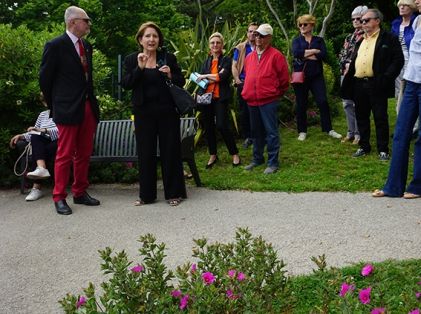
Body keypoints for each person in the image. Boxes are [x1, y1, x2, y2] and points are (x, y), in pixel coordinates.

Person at [39, 5, 100, 215]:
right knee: (64, 154)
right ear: (73, 21)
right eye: (86, 20)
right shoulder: (55, 45)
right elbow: (45, 79)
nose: (89, 24)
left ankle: (80, 192)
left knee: (84, 153)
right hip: (66, 108)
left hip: (87, 106)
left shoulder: (87, 46)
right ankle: (59, 197)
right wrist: (54, 104)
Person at [121, 21, 187, 207]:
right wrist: (139, 68)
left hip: (167, 112)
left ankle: (174, 193)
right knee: (146, 153)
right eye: (148, 36)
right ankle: (147, 196)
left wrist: (170, 76)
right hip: (143, 113)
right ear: (140, 39)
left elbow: (181, 81)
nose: (152, 39)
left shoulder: (168, 57)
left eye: (155, 36)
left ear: (159, 39)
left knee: (170, 152)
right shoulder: (132, 59)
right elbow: (126, 84)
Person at [372, 0, 421, 199]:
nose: (416, 1)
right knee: (401, 133)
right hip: (411, 82)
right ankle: (393, 186)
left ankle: (417, 186)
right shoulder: (417, 22)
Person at [341, 9, 404, 161]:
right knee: (361, 116)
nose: (362, 23)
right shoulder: (361, 39)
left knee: (380, 117)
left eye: (366, 20)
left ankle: (383, 149)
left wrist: (386, 78)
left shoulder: (388, 38)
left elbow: (398, 60)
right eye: (362, 20)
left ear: (377, 21)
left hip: (377, 83)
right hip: (358, 84)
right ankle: (364, 146)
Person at [241, 23, 289, 174]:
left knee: (271, 132)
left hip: (268, 100)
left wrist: (275, 93)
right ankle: (257, 159)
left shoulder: (276, 56)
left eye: (262, 35)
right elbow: (248, 75)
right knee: (256, 132)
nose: (258, 38)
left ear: (269, 37)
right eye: (256, 35)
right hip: (252, 100)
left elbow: (284, 79)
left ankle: (273, 162)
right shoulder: (249, 57)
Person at [291, 15, 342, 142]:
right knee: (301, 104)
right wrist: (314, 51)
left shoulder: (319, 40)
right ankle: (302, 131)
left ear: (312, 25)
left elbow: (323, 54)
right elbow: (296, 53)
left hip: (316, 76)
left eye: (305, 24)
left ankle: (328, 129)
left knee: (323, 101)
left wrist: (305, 54)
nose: (302, 27)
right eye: (300, 25)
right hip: (301, 76)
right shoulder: (296, 40)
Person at [196, 32, 241, 169]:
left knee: (222, 125)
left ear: (222, 45)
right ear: (209, 46)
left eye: (218, 42)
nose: (215, 45)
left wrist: (205, 76)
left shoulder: (226, 60)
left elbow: (221, 77)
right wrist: (209, 77)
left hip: (220, 98)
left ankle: (234, 154)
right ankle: (213, 154)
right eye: (212, 43)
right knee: (208, 127)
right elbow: (199, 80)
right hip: (206, 99)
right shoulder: (206, 62)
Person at [10, 94, 58, 201]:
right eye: (45, 101)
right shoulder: (42, 115)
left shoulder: (64, 112)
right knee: (36, 139)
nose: (48, 103)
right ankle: (41, 168)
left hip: (59, 142)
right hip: (42, 143)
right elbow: (34, 131)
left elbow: (65, 132)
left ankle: (37, 187)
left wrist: (44, 130)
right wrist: (22, 136)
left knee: (40, 150)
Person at [338, 6, 368, 144]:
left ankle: (358, 133)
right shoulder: (349, 37)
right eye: (353, 19)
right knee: (346, 104)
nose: (355, 21)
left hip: (358, 75)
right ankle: (350, 132)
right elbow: (343, 54)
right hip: (345, 74)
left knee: (358, 105)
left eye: (358, 18)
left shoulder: (367, 37)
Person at [232, 22, 258, 149]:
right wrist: (237, 79)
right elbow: (234, 65)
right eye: (250, 31)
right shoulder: (241, 47)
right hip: (244, 83)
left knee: (258, 110)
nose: (252, 34)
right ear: (247, 33)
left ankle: (258, 135)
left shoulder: (261, 46)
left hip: (259, 84)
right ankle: (248, 137)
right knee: (244, 111)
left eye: (255, 32)